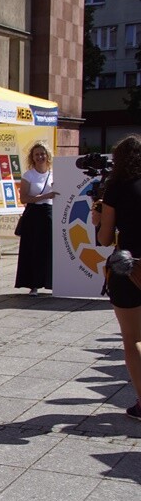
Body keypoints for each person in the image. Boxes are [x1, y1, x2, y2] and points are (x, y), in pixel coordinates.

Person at [95, 134, 141, 419]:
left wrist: (98, 217)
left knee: (133, 339)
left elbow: (103, 238)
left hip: (129, 266)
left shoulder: (116, 188)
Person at [15, 141, 57, 296]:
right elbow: (24, 198)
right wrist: (45, 196)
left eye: (42, 153)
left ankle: (50, 282)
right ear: (32, 157)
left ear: (48, 155)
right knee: (33, 250)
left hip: (50, 213)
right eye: (37, 154)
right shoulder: (29, 175)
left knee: (50, 249)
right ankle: (33, 284)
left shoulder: (54, 172)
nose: (40, 157)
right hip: (33, 216)